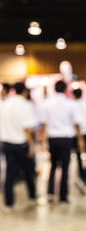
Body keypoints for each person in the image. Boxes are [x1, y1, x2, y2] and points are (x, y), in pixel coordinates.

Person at [40, 80, 84, 204]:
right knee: (65, 167)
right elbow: (76, 124)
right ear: (65, 89)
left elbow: (43, 124)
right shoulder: (70, 104)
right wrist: (80, 139)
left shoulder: (47, 104)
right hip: (66, 138)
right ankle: (63, 196)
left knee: (53, 166)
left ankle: (50, 192)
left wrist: (42, 141)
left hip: (53, 138)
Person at [0, 82, 38, 214]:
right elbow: (26, 128)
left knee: (9, 174)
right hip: (21, 143)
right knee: (28, 171)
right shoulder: (24, 104)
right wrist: (31, 146)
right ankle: (32, 196)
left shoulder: (5, 104)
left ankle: (9, 203)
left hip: (7, 143)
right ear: (25, 92)